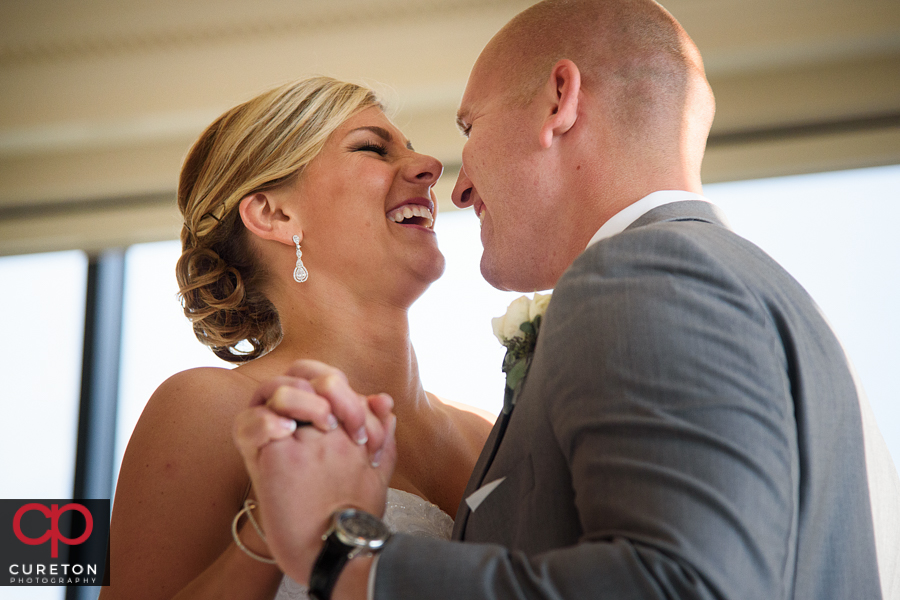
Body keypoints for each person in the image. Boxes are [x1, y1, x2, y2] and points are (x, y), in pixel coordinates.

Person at [234, 1, 900, 599]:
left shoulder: (646, 273)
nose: (458, 188)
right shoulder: (774, 303)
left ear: (560, 101)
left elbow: (681, 586)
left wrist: (348, 563)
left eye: (470, 128)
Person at [101, 76, 493, 600]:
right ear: (275, 214)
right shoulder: (211, 408)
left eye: (414, 149)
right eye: (373, 148)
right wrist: (271, 530)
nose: (429, 168)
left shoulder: (484, 434)